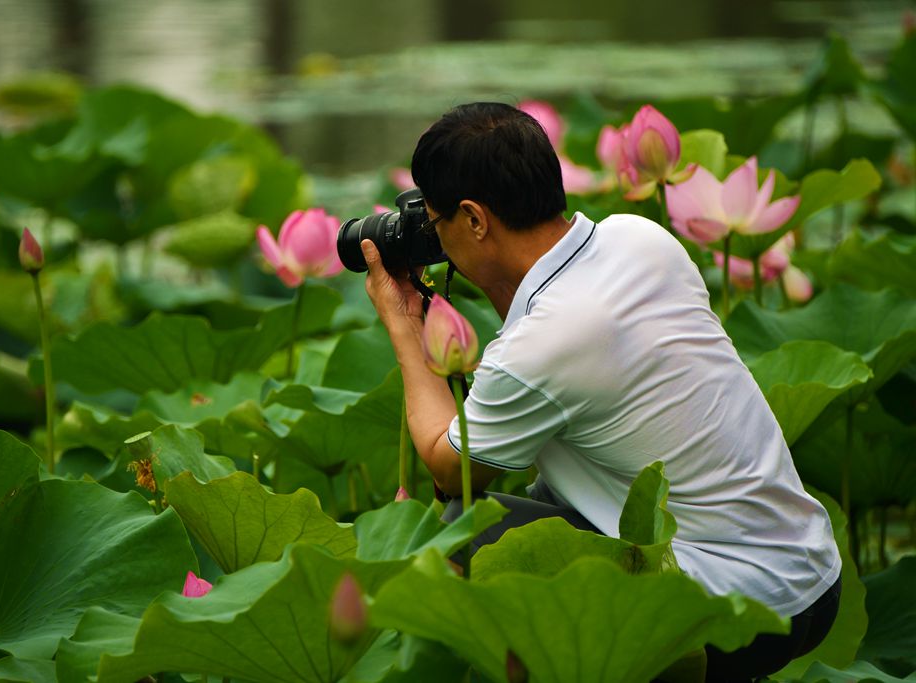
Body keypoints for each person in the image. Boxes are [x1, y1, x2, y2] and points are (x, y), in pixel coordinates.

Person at [359, 102, 841, 681]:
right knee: (549, 508)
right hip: (814, 575)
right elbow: (553, 337)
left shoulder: (543, 346)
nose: (432, 238)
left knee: (456, 527)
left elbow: (448, 467)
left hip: (735, 612)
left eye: (435, 224)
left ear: (475, 218)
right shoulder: (640, 238)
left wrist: (403, 323)